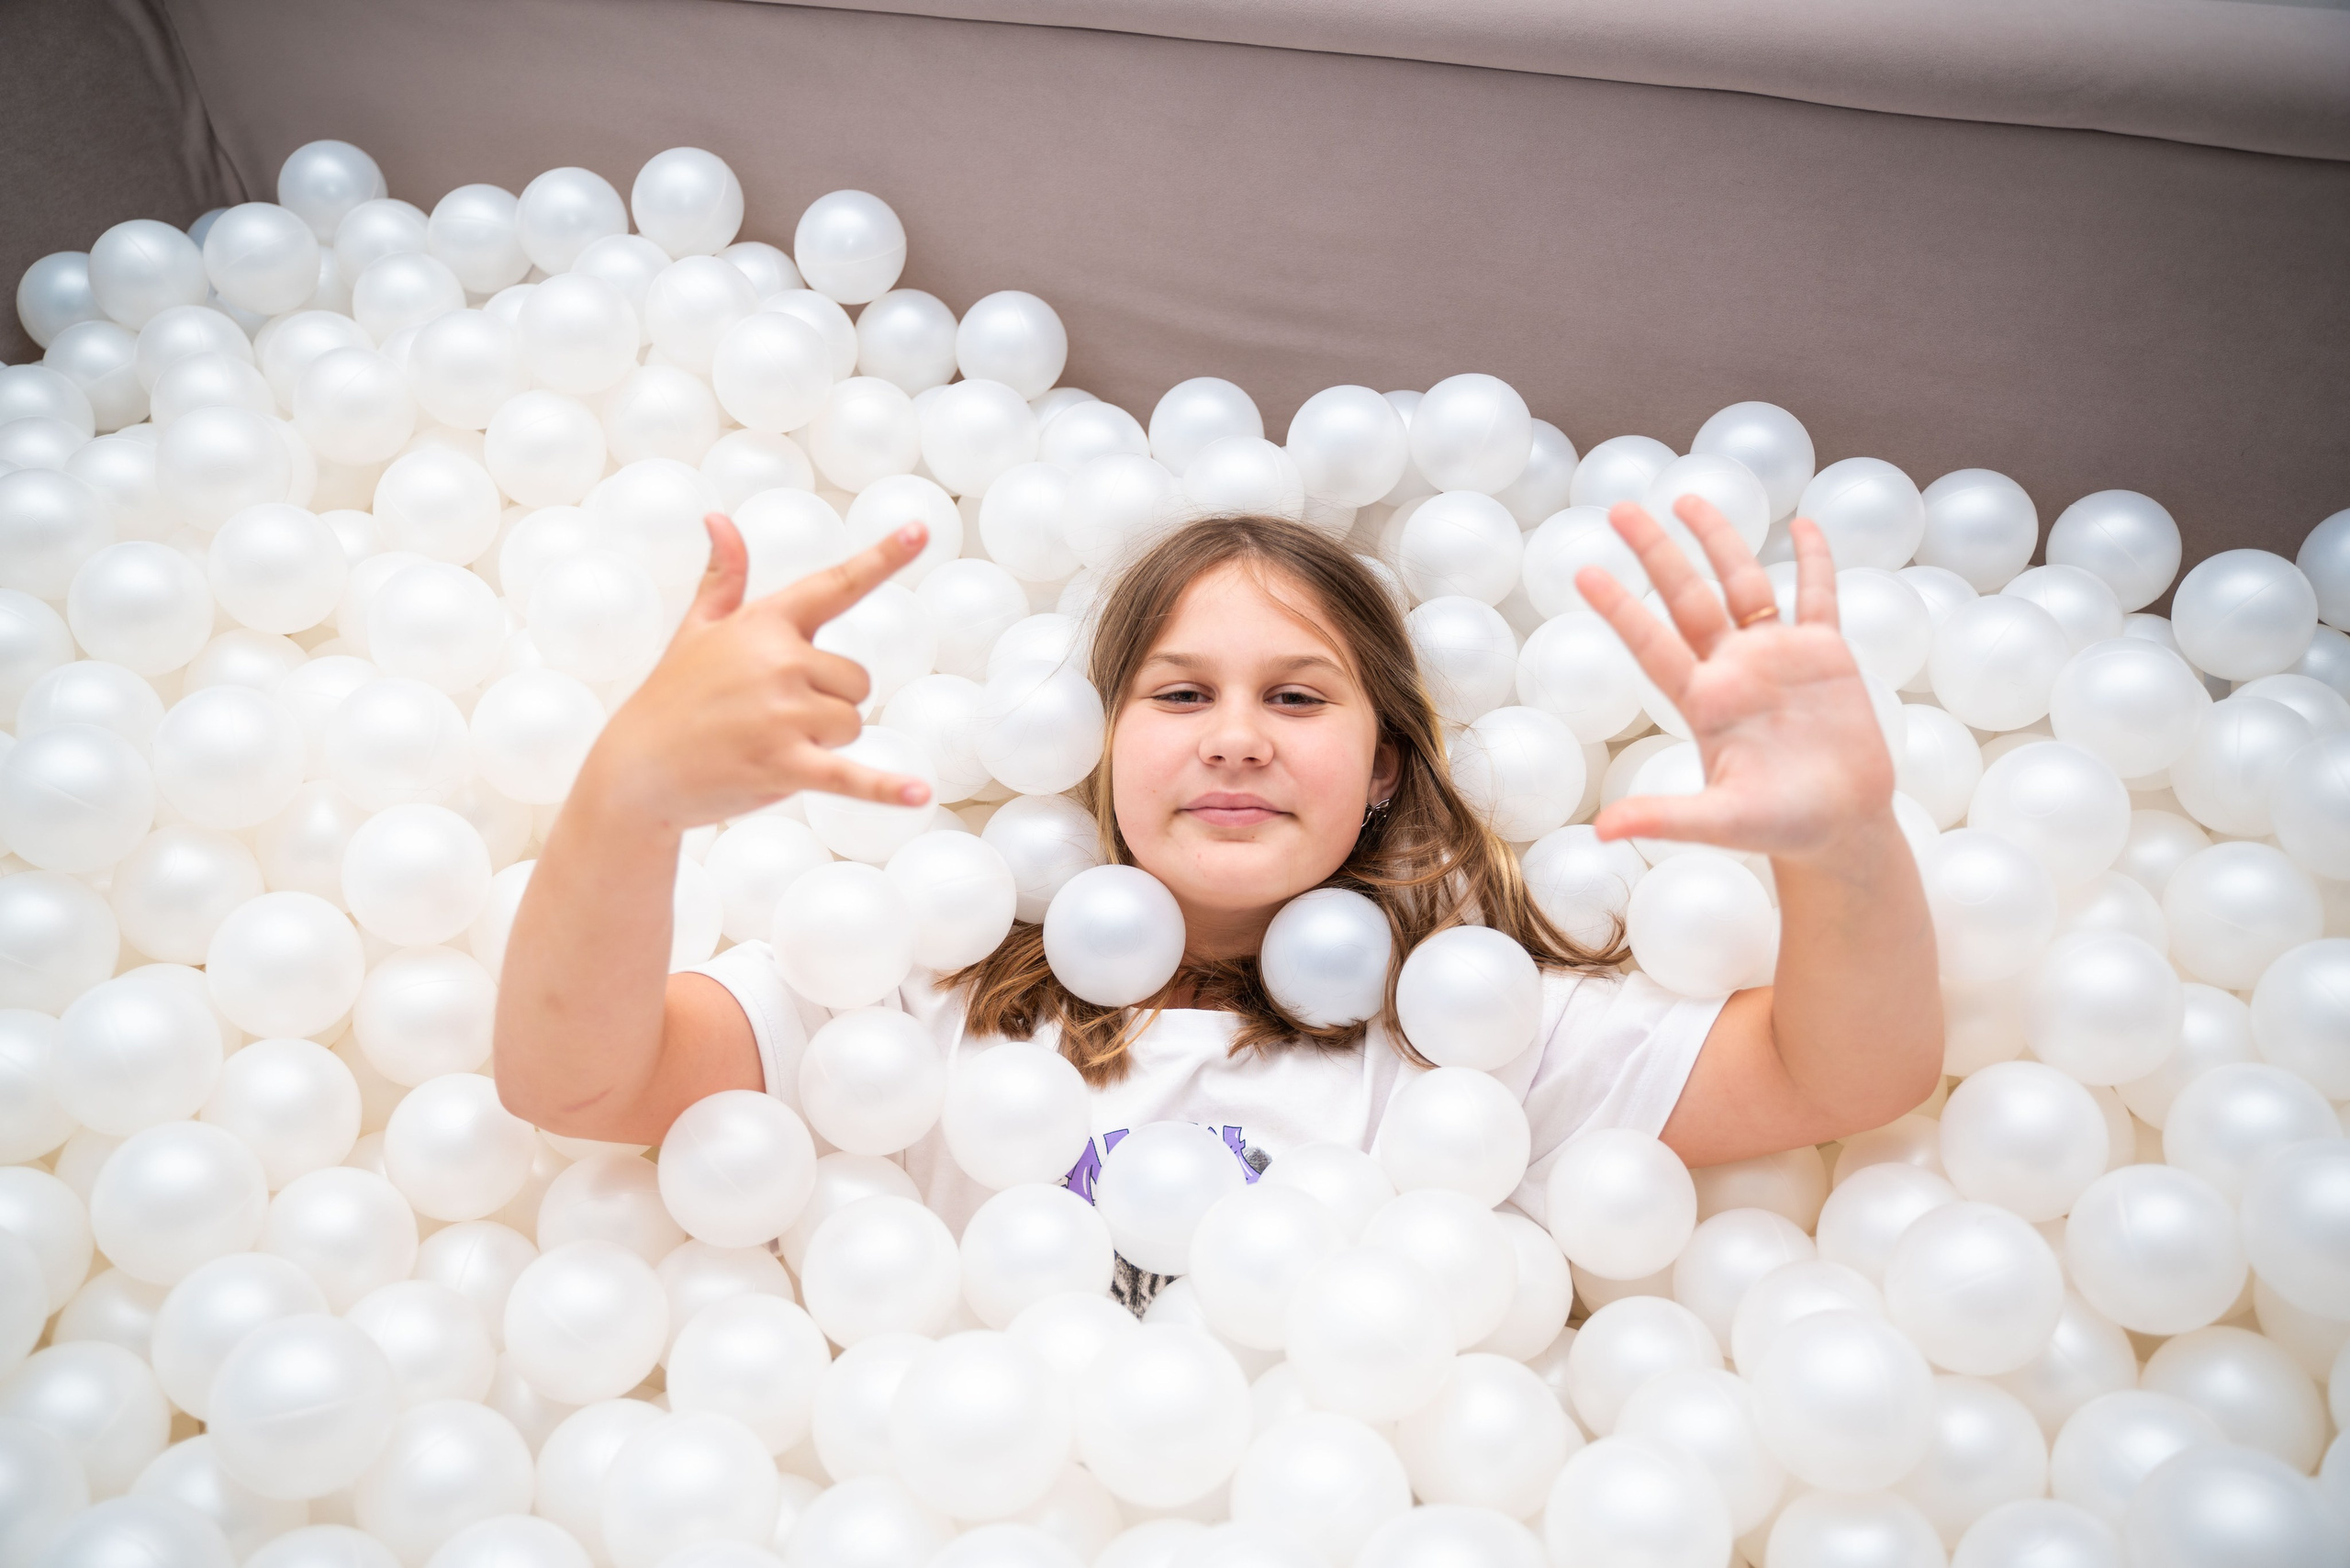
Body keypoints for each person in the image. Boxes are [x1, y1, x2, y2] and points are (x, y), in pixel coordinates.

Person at [493, 496, 1942, 1246]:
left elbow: (1840, 1076)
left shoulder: (1472, 1035)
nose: (1237, 739)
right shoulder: (926, 998)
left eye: (1299, 699)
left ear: (1384, 767)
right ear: (1099, 749)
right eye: (1179, 697)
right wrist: (630, 797)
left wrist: (1847, 846)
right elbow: (584, 1082)